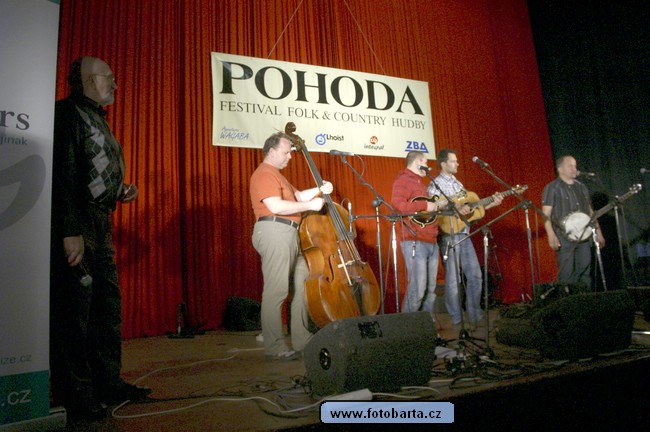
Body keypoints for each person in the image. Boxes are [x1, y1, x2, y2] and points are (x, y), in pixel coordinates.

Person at [50, 56, 151, 420]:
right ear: (90, 81)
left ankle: (107, 382)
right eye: (109, 78)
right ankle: (76, 393)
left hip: (99, 223)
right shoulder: (67, 114)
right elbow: (63, 172)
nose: (115, 84)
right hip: (79, 225)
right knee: (75, 313)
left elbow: (91, 170)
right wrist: (69, 229)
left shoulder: (96, 117)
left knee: (105, 308)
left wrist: (118, 191)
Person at [249, 132, 333, 360]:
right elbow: (276, 207)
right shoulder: (264, 174)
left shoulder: (278, 176)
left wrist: (320, 189)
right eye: (286, 152)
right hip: (275, 230)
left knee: (302, 284)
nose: (290, 157)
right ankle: (275, 347)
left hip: (289, 233)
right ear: (271, 151)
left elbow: (298, 196)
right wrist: (311, 206)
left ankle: (302, 339)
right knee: (276, 290)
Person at [428, 149, 503, 329]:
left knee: (475, 275)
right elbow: (435, 207)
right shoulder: (435, 184)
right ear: (443, 164)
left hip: (464, 233)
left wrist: (490, 204)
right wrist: (455, 207)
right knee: (454, 279)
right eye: (453, 161)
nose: (457, 164)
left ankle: (475, 315)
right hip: (449, 234)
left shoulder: (458, 184)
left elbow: (469, 209)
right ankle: (457, 318)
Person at [542, 155, 605, 288]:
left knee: (585, 270)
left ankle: (585, 297)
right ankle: (568, 298)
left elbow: (590, 211)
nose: (574, 169)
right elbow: (546, 214)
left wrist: (598, 232)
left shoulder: (581, 187)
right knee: (567, 273)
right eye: (570, 166)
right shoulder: (552, 187)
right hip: (564, 236)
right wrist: (551, 235)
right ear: (560, 169)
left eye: (575, 166)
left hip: (584, 235)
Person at [390, 151, 440, 315]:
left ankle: (426, 327)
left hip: (431, 240)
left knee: (430, 291)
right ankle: (407, 327)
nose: (428, 167)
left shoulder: (421, 184)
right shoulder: (403, 180)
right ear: (418, 162)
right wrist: (425, 206)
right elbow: (398, 206)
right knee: (418, 289)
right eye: (425, 163)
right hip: (414, 240)